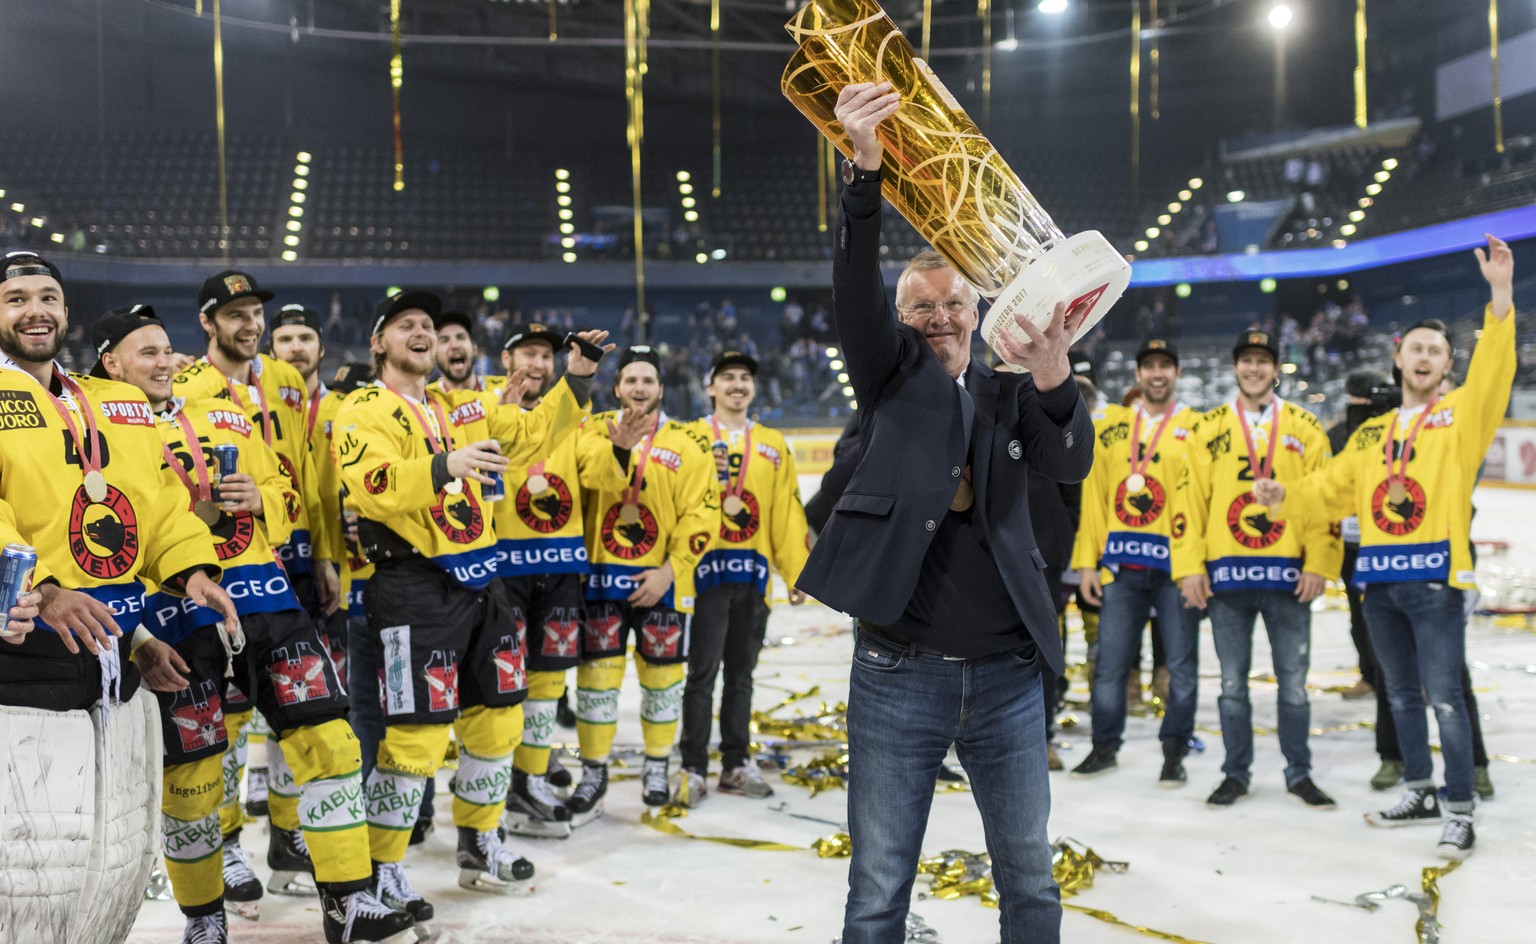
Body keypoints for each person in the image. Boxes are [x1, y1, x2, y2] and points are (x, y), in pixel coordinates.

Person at [797, 83, 1094, 944]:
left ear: (981, 311)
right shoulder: (891, 379)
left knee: (1030, 881)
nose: (940, 317)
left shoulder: (1016, 384)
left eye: (955, 303)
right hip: (900, 673)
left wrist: (1052, 377)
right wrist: (864, 170)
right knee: (880, 886)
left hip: (1007, 677)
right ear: (899, 322)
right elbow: (853, 286)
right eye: (921, 306)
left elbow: (1070, 461)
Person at [94, 305, 410, 944]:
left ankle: (347, 902)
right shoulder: (95, 426)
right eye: (145, 352)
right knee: (192, 778)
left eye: (166, 349)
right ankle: (203, 917)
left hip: (265, 599)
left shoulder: (223, 412)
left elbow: (288, 494)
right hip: (172, 616)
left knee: (331, 740)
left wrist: (261, 499)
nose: (163, 361)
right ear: (111, 364)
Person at [333, 291, 604, 925]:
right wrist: (444, 463)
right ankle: (384, 866)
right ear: (379, 344)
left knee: (498, 719)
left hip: (484, 581)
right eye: (406, 326)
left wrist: (579, 380)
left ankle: (479, 841)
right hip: (411, 586)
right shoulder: (362, 408)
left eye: (428, 325)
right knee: (415, 737)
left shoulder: (461, 407)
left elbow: (535, 434)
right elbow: (372, 488)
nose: (421, 333)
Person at [1256, 234, 1516, 861]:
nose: (1425, 358)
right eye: (1417, 348)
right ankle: (1420, 788)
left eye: (1437, 352)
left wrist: (1501, 296)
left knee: (1446, 698)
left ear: (1447, 368)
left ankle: (1459, 807)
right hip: (1378, 584)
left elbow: (1494, 373)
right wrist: (1282, 497)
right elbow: (1331, 488)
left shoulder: (1460, 418)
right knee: (1399, 695)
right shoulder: (1372, 432)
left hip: (1434, 584)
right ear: (1399, 359)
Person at [1173, 329, 1341, 809]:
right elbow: (1189, 502)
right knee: (1231, 685)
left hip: (1289, 576)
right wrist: (1189, 568)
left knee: (1293, 685)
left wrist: (1320, 562)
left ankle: (1299, 773)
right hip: (1226, 578)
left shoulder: (1307, 427)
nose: (1254, 368)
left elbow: (1322, 499)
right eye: (1246, 360)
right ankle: (1235, 773)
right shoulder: (1207, 429)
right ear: (1235, 368)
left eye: (1262, 361)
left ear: (1275, 369)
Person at [567, 345, 718, 816]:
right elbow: (591, 477)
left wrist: (669, 571)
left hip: (663, 584)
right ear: (616, 388)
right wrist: (620, 446)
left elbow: (704, 514)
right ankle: (593, 771)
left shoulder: (688, 442)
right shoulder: (593, 429)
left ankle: (657, 765)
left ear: (660, 389)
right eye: (630, 380)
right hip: (601, 582)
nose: (638, 388)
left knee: (663, 685)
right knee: (595, 686)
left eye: (647, 381)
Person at [676, 349, 810, 805]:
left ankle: (735, 763)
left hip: (752, 576)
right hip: (703, 576)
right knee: (701, 673)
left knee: (742, 675)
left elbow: (786, 511)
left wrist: (795, 571)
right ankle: (692, 766)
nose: (737, 384)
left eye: (744, 378)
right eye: (727, 377)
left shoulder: (772, 444)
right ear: (710, 387)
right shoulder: (689, 438)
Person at [1069, 339, 1203, 786]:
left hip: (1176, 570)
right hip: (1121, 569)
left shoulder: (1197, 428)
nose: (1158, 373)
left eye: (1167, 365)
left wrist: (1200, 567)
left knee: (1181, 666)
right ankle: (1104, 747)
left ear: (1177, 374)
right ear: (1138, 375)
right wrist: (1087, 562)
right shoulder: (1113, 428)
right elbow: (1096, 498)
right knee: (1110, 664)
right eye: (1150, 366)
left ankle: (1174, 752)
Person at [491, 322, 591, 838]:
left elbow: (594, 467)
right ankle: (497, 789)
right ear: (506, 358)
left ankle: (528, 780)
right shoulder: (485, 405)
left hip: (559, 566)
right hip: (501, 568)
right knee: (502, 684)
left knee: (549, 683)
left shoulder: (575, 412)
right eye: (526, 352)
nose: (537, 362)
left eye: (545, 355)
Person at [432, 309, 502, 396]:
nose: (455, 345)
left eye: (461, 337)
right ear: (434, 355)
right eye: (445, 340)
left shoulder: (503, 391)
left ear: (474, 348)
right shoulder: (425, 402)